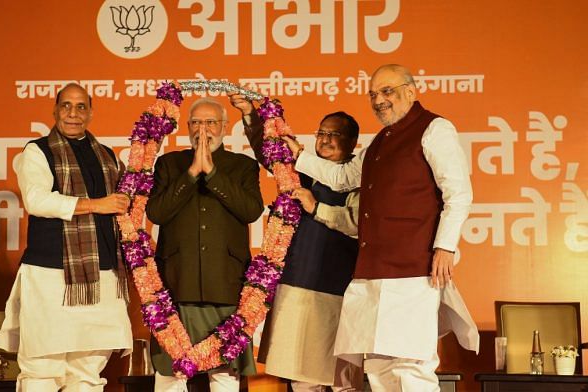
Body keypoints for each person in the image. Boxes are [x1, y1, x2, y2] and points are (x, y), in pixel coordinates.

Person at [284, 64, 479, 391]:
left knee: (409, 366)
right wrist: (299, 155)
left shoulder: (434, 129)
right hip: (371, 274)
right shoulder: (379, 143)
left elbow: (458, 193)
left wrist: (445, 247)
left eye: (386, 92)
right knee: (377, 366)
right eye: (373, 94)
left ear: (410, 92)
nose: (378, 100)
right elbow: (343, 178)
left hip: (412, 273)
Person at [0, 83, 133, 391]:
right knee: (44, 369)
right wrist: (97, 204)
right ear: (55, 111)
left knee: (88, 372)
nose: (73, 113)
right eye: (66, 106)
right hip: (50, 275)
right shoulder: (37, 151)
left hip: (102, 275)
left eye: (81, 106)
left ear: (90, 113)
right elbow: (37, 201)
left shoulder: (107, 155)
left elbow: (123, 205)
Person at [230, 95, 363, 392]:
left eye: (334, 134)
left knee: (341, 381)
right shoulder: (302, 168)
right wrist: (251, 115)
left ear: (353, 142)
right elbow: (269, 154)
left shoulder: (358, 177)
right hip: (295, 284)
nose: (325, 140)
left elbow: (355, 222)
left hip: (337, 289)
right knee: (301, 380)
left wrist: (317, 207)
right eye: (322, 133)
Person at [146, 97, 264, 392]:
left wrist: (211, 173)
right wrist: (190, 174)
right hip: (177, 284)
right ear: (187, 127)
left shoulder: (243, 166)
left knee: (224, 375)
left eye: (211, 122)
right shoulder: (170, 164)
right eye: (196, 122)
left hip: (225, 284)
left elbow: (250, 211)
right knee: (171, 374)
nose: (204, 129)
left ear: (224, 127)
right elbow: (156, 213)